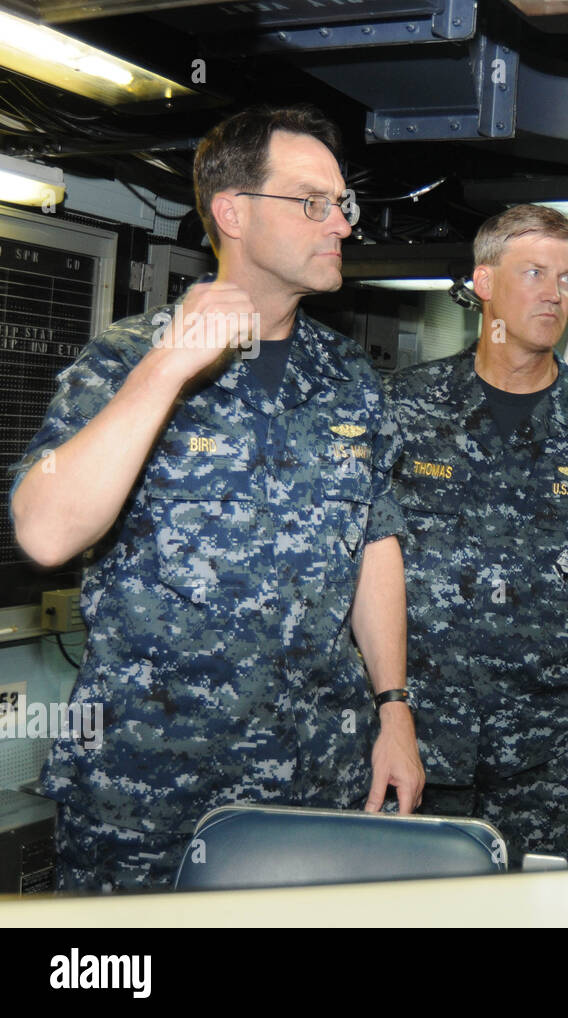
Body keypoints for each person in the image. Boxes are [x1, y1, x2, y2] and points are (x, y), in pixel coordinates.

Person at [9, 105, 423, 893]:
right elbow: (44, 532)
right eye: (313, 202)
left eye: (343, 204)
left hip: (316, 786)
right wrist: (167, 370)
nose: (340, 223)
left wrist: (394, 707)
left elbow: (374, 546)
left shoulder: (348, 379)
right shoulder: (125, 359)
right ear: (232, 212)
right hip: (149, 801)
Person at [386, 204, 568, 865]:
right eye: (534, 272)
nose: (554, 294)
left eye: (567, 280)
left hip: (555, 761)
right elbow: (357, 562)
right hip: (417, 742)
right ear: (483, 282)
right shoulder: (403, 410)